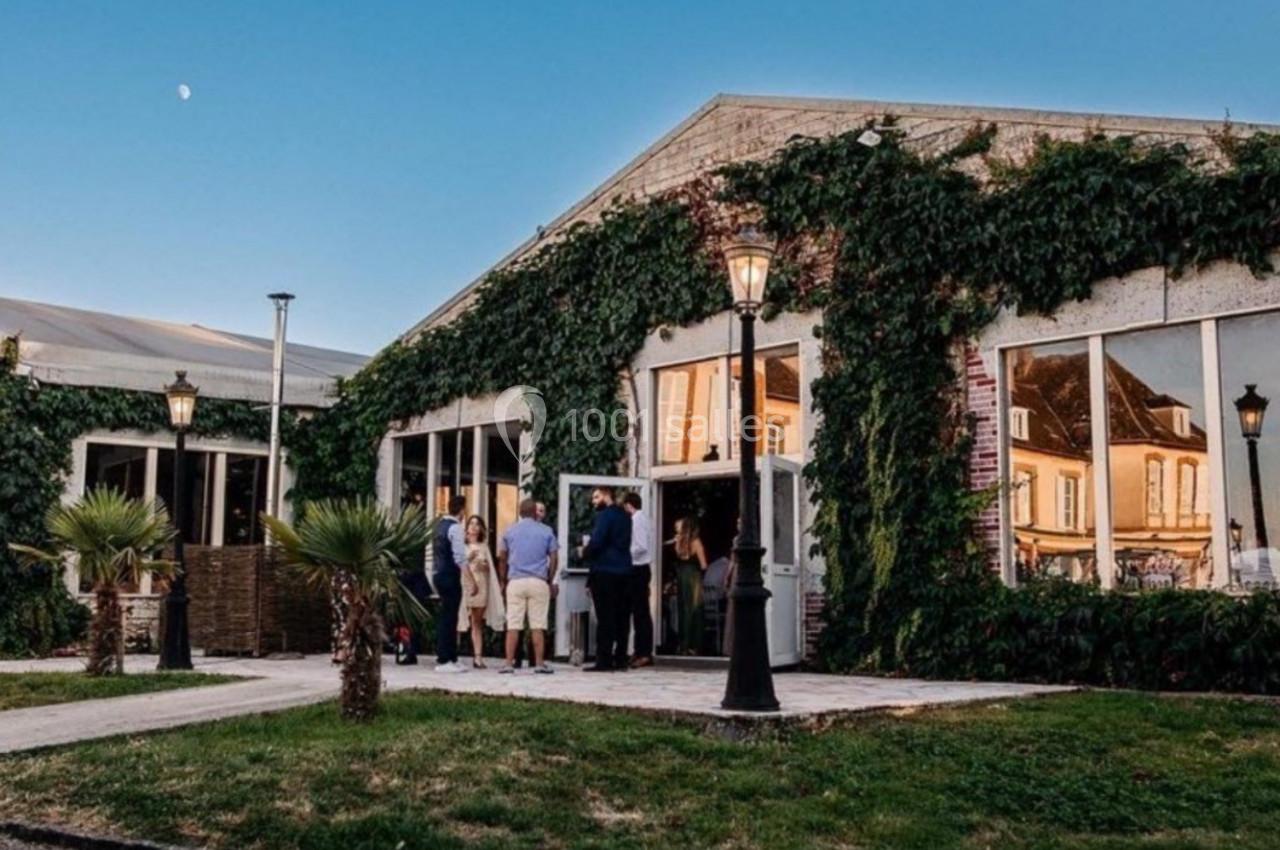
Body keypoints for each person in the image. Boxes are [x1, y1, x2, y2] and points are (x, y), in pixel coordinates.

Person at [497, 498, 558, 674]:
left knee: (513, 624)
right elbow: (554, 557)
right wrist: (550, 577)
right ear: (534, 512)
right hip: (538, 581)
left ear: (520, 512)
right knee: (538, 625)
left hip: (515, 581)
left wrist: (503, 580)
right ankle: (539, 663)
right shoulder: (546, 531)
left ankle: (509, 663)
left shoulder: (510, 531)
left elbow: (502, 557)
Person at [583, 486, 632, 671]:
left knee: (605, 618)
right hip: (625, 571)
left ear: (606, 496)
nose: (594, 501)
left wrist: (584, 551)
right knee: (622, 617)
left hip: (605, 572)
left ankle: (604, 660)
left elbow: (597, 542)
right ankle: (621, 659)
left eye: (596, 497)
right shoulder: (626, 517)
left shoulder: (605, 516)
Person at [458, 515, 505, 668]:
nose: (473, 527)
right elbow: (459, 566)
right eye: (471, 524)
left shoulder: (484, 546)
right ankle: (453, 654)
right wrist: (469, 559)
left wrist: (484, 566)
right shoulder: (462, 546)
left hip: (482, 585)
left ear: (481, 528)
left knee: (477, 622)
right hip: (466, 585)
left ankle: (478, 657)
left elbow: (490, 568)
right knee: (460, 619)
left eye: (477, 524)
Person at [433, 495, 468, 673]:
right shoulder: (456, 528)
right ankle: (444, 658)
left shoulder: (439, 526)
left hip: (438, 574)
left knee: (448, 615)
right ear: (461, 510)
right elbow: (460, 557)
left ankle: (451, 656)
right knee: (449, 617)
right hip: (450, 575)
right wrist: (470, 578)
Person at [622, 492, 654, 669]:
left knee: (640, 612)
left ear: (628, 505)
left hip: (639, 569)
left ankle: (644, 652)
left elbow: (641, 547)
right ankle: (639, 650)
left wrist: (625, 553)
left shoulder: (637, 520)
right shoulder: (641, 519)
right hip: (639, 569)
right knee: (638, 611)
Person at [671, 517, 708, 655]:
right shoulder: (696, 542)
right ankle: (694, 645)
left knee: (683, 610)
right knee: (695, 609)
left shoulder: (679, 543)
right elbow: (704, 564)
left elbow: (679, 557)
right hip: (694, 577)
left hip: (682, 576)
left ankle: (683, 645)